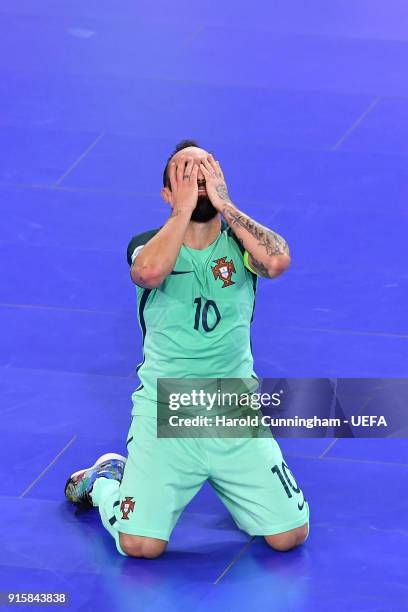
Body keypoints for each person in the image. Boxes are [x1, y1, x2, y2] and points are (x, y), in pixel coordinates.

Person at [65, 140, 309, 558]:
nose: (197, 178)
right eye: (184, 172)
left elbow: (278, 262)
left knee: (288, 535)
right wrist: (182, 211)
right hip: (166, 410)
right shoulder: (147, 245)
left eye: (205, 170)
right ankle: (105, 480)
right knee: (141, 545)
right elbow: (149, 273)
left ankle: (241, 489)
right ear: (167, 193)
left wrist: (226, 204)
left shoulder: (241, 243)